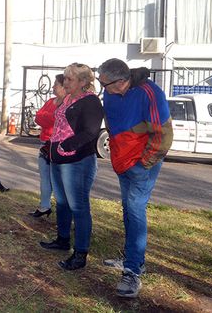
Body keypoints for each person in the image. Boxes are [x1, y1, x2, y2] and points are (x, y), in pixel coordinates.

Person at [97, 59, 172, 298]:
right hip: (123, 161)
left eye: (105, 84)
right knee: (128, 209)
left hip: (143, 164)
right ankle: (132, 257)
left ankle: (132, 273)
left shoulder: (150, 92)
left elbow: (164, 133)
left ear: (120, 82)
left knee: (135, 208)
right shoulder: (110, 93)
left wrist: (144, 162)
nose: (102, 89)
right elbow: (112, 122)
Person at [39, 63, 103, 271]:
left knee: (79, 206)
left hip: (77, 161)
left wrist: (68, 146)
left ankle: (80, 253)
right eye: (65, 78)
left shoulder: (91, 101)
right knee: (62, 203)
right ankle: (62, 239)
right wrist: (53, 147)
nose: (65, 82)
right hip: (58, 159)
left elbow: (91, 132)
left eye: (69, 79)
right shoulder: (67, 99)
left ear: (83, 82)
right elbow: (58, 127)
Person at [30, 73, 66, 217]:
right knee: (44, 178)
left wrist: (47, 118)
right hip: (45, 144)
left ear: (64, 87)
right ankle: (44, 206)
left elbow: (57, 120)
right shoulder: (51, 101)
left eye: (55, 84)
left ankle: (64, 212)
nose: (52, 87)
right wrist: (48, 118)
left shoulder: (67, 103)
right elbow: (38, 117)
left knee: (59, 182)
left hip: (58, 146)